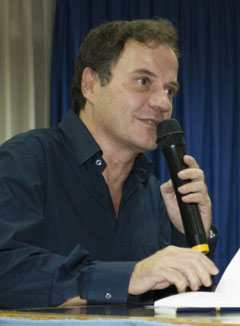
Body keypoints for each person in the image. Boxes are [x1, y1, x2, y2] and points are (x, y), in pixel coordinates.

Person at [0, 19, 219, 308]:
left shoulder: (151, 190)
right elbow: (7, 269)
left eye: (169, 90)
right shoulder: (26, 160)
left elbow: (165, 306)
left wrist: (190, 236)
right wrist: (129, 276)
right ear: (90, 85)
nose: (162, 103)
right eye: (143, 81)